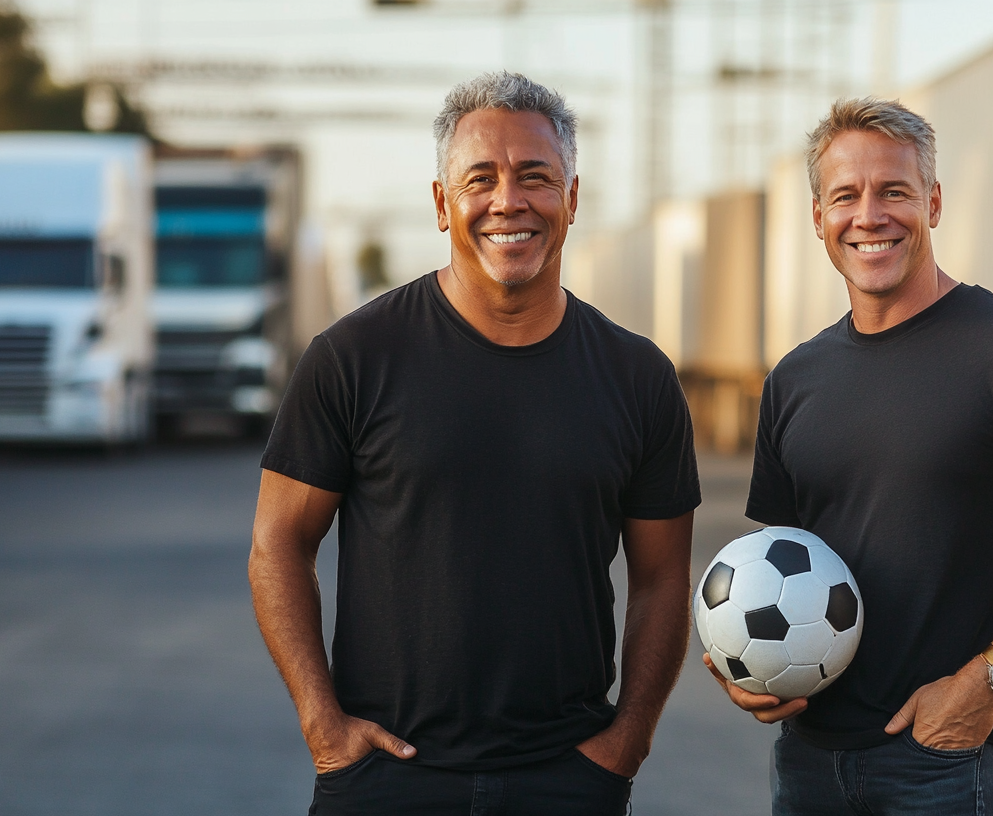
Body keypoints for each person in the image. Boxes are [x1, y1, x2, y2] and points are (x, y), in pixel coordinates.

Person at [249, 72, 700, 815]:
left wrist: (628, 743)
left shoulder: (638, 376)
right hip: (386, 780)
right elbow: (277, 544)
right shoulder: (354, 357)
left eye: (535, 177)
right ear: (440, 204)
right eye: (480, 179)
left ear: (573, 198)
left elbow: (661, 579)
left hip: (567, 781)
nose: (508, 201)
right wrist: (322, 726)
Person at [704, 97, 993, 815]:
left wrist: (988, 682)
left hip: (943, 764)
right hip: (808, 765)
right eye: (845, 195)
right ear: (817, 216)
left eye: (894, 192)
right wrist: (746, 663)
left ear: (934, 203)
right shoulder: (794, 378)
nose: (869, 215)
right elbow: (778, 561)